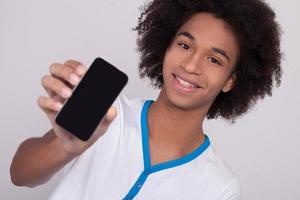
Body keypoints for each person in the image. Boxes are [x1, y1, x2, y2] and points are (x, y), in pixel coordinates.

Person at [10, 0, 282, 199]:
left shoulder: (220, 187)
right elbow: (20, 176)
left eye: (214, 59)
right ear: (166, 47)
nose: (190, 65)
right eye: (185, 45)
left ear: (231, 80)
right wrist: (66, 148)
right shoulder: (107, 111)